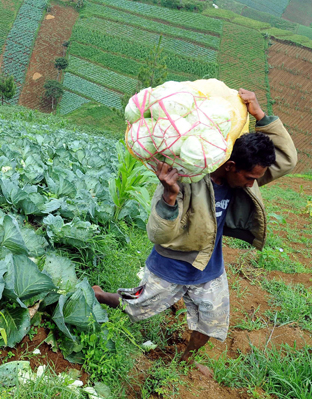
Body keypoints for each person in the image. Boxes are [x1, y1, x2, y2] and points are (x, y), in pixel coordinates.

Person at [93, 88, 297, 377]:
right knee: (138, 307)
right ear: (230, 166)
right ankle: (102, 296)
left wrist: (260, 115)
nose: (254, 184)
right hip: (172, 262)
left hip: (208, 266)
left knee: (210, 320)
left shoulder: (241, 179)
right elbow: (160, 234)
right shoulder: (186, 178)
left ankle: (186, 359)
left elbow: (286, 161)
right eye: (250, 177)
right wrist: (169, 197)